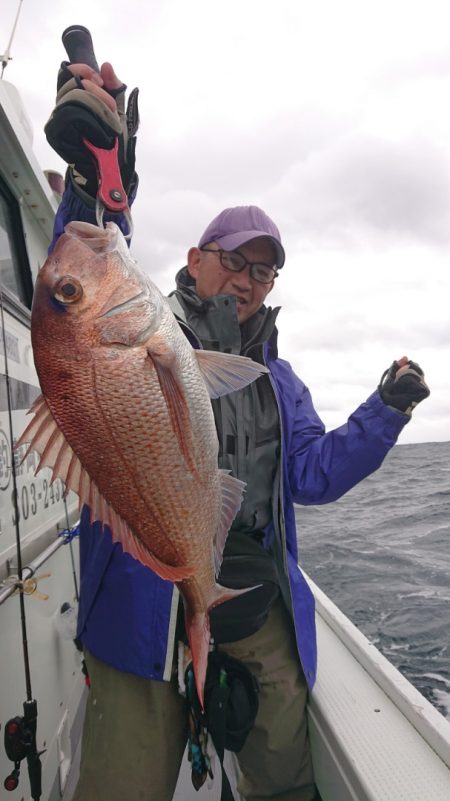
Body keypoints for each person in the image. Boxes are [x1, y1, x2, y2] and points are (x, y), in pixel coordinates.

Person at [44, 61, 430, 801]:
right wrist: (99, 184)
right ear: (193, 260)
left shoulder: (280, 381)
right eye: (235, 261)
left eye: (265, 272)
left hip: (245, 590)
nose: (249, 280)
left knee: (284, 762)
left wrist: (386, 411)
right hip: (139, 600)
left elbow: (313, 475)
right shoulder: (148, 328)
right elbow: (82, 295)